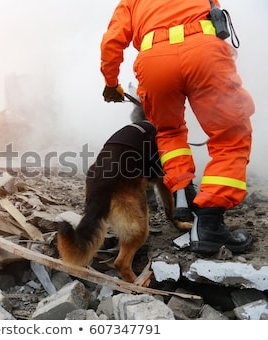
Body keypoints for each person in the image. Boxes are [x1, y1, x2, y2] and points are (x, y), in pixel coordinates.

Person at [100, 0, 255, 254]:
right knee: (231, 136)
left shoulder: (131, 1)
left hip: (154, 62)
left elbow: (112, 41)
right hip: (204, 54)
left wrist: (110, 82)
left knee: (169, 132)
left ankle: (182, 192)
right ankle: (210, 223)